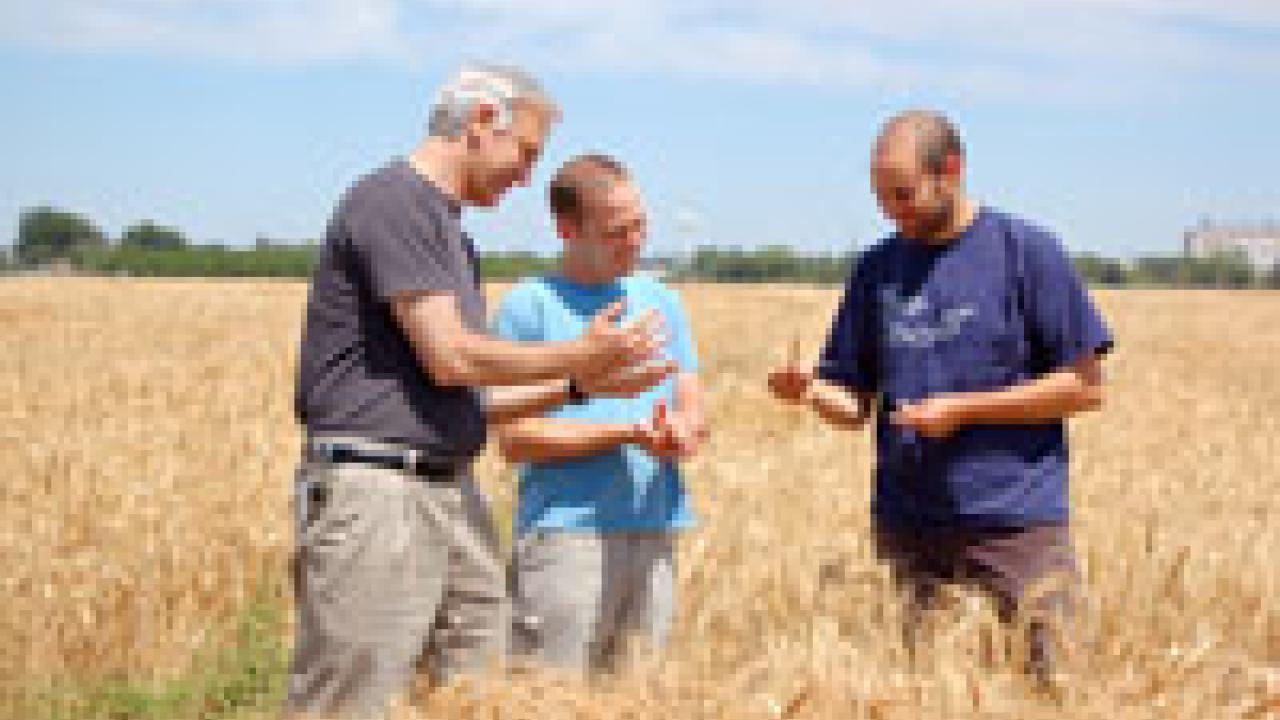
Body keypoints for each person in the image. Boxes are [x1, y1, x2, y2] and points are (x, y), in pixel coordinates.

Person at [287, 66, 674, 719]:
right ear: (480, 124)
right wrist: (578, 354)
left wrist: (579, 384)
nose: (526, 178)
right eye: (526, 153)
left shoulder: (450, 233)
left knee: (475, 692)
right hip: (379, 491)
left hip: (445, 488)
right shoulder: (394, 202)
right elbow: (450, 357)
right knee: (352, 700)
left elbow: (468, 399)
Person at [768, 110, 1113, 682]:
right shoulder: (876, 269)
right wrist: (810, 390)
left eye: (903, 195)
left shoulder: (1026, 252)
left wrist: (965, 410)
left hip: (1014, 523)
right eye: (881, 198)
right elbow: (854, 406)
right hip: (907, 523)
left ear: (951, 171)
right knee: (917, 690)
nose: (891, 211)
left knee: (1056, 685)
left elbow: (1085, 386)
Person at [491, 154, 707, 674]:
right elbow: (514, 439)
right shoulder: (529, 307)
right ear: (567, 229)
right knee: (552, 695)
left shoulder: (661, 302)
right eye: (616, 232)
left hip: (655, 528)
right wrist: (627, 433)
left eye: (640, 225)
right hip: (566, 537)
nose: (635, 241)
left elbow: (693, 406)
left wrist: (681, 431)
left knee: (640, 697)